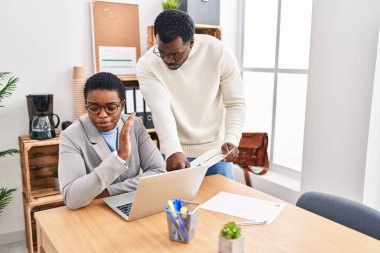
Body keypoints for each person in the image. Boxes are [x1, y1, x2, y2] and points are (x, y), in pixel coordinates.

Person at [136, 9, 245, 179]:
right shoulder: (147, 64)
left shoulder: (218, 52)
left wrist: (231, 139)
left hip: (217, 154)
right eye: (161, 52)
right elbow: (160, 110)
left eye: (175, 54)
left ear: (191, 43)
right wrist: (173, 150)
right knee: (175, 206)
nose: (167, 59)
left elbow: (235, 103)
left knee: (223, 204)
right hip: (175, 154)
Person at [59, 72, 166, 209]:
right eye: (93, 108)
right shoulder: (71, 136)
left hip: (132, 204)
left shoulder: (135, 125)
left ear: (122, 106)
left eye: (111, 108)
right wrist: (120, 158)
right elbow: (72, 198)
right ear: (86, 105)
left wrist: (107, 191)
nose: (103, 115)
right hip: (94, 211)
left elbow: (159, 172)